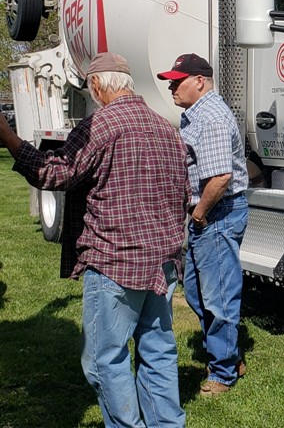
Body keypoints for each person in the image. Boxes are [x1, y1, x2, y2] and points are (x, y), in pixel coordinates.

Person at [0, 52, 188, 428]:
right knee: (159, 353)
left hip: (116, 263)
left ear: (99, 86)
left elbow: (55, 173)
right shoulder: (166, 126)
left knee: (105, 359)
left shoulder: (100, 125)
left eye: (90, 87)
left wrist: (8, 137)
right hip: (162, 262)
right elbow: (182, 194)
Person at [157, 53, 249, 396]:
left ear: (199, 81)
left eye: (176, 81)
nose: (170, 87)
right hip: (211, 214)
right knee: (197, 291)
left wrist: (198, 215)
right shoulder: (196, 115)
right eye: (169, 81)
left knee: (218, 295)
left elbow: (221, 177)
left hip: (217, 213)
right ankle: (228, 354)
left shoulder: (209, 117)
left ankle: (223, 373)